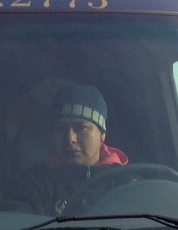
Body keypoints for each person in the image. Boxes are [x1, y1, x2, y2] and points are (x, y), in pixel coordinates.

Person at [13, 84, 129, 216]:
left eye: (81, 128)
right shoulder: (35, 184)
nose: (70, 139)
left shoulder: (125, 183)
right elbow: (16, 221)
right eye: (61, 128)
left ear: (102, 133)